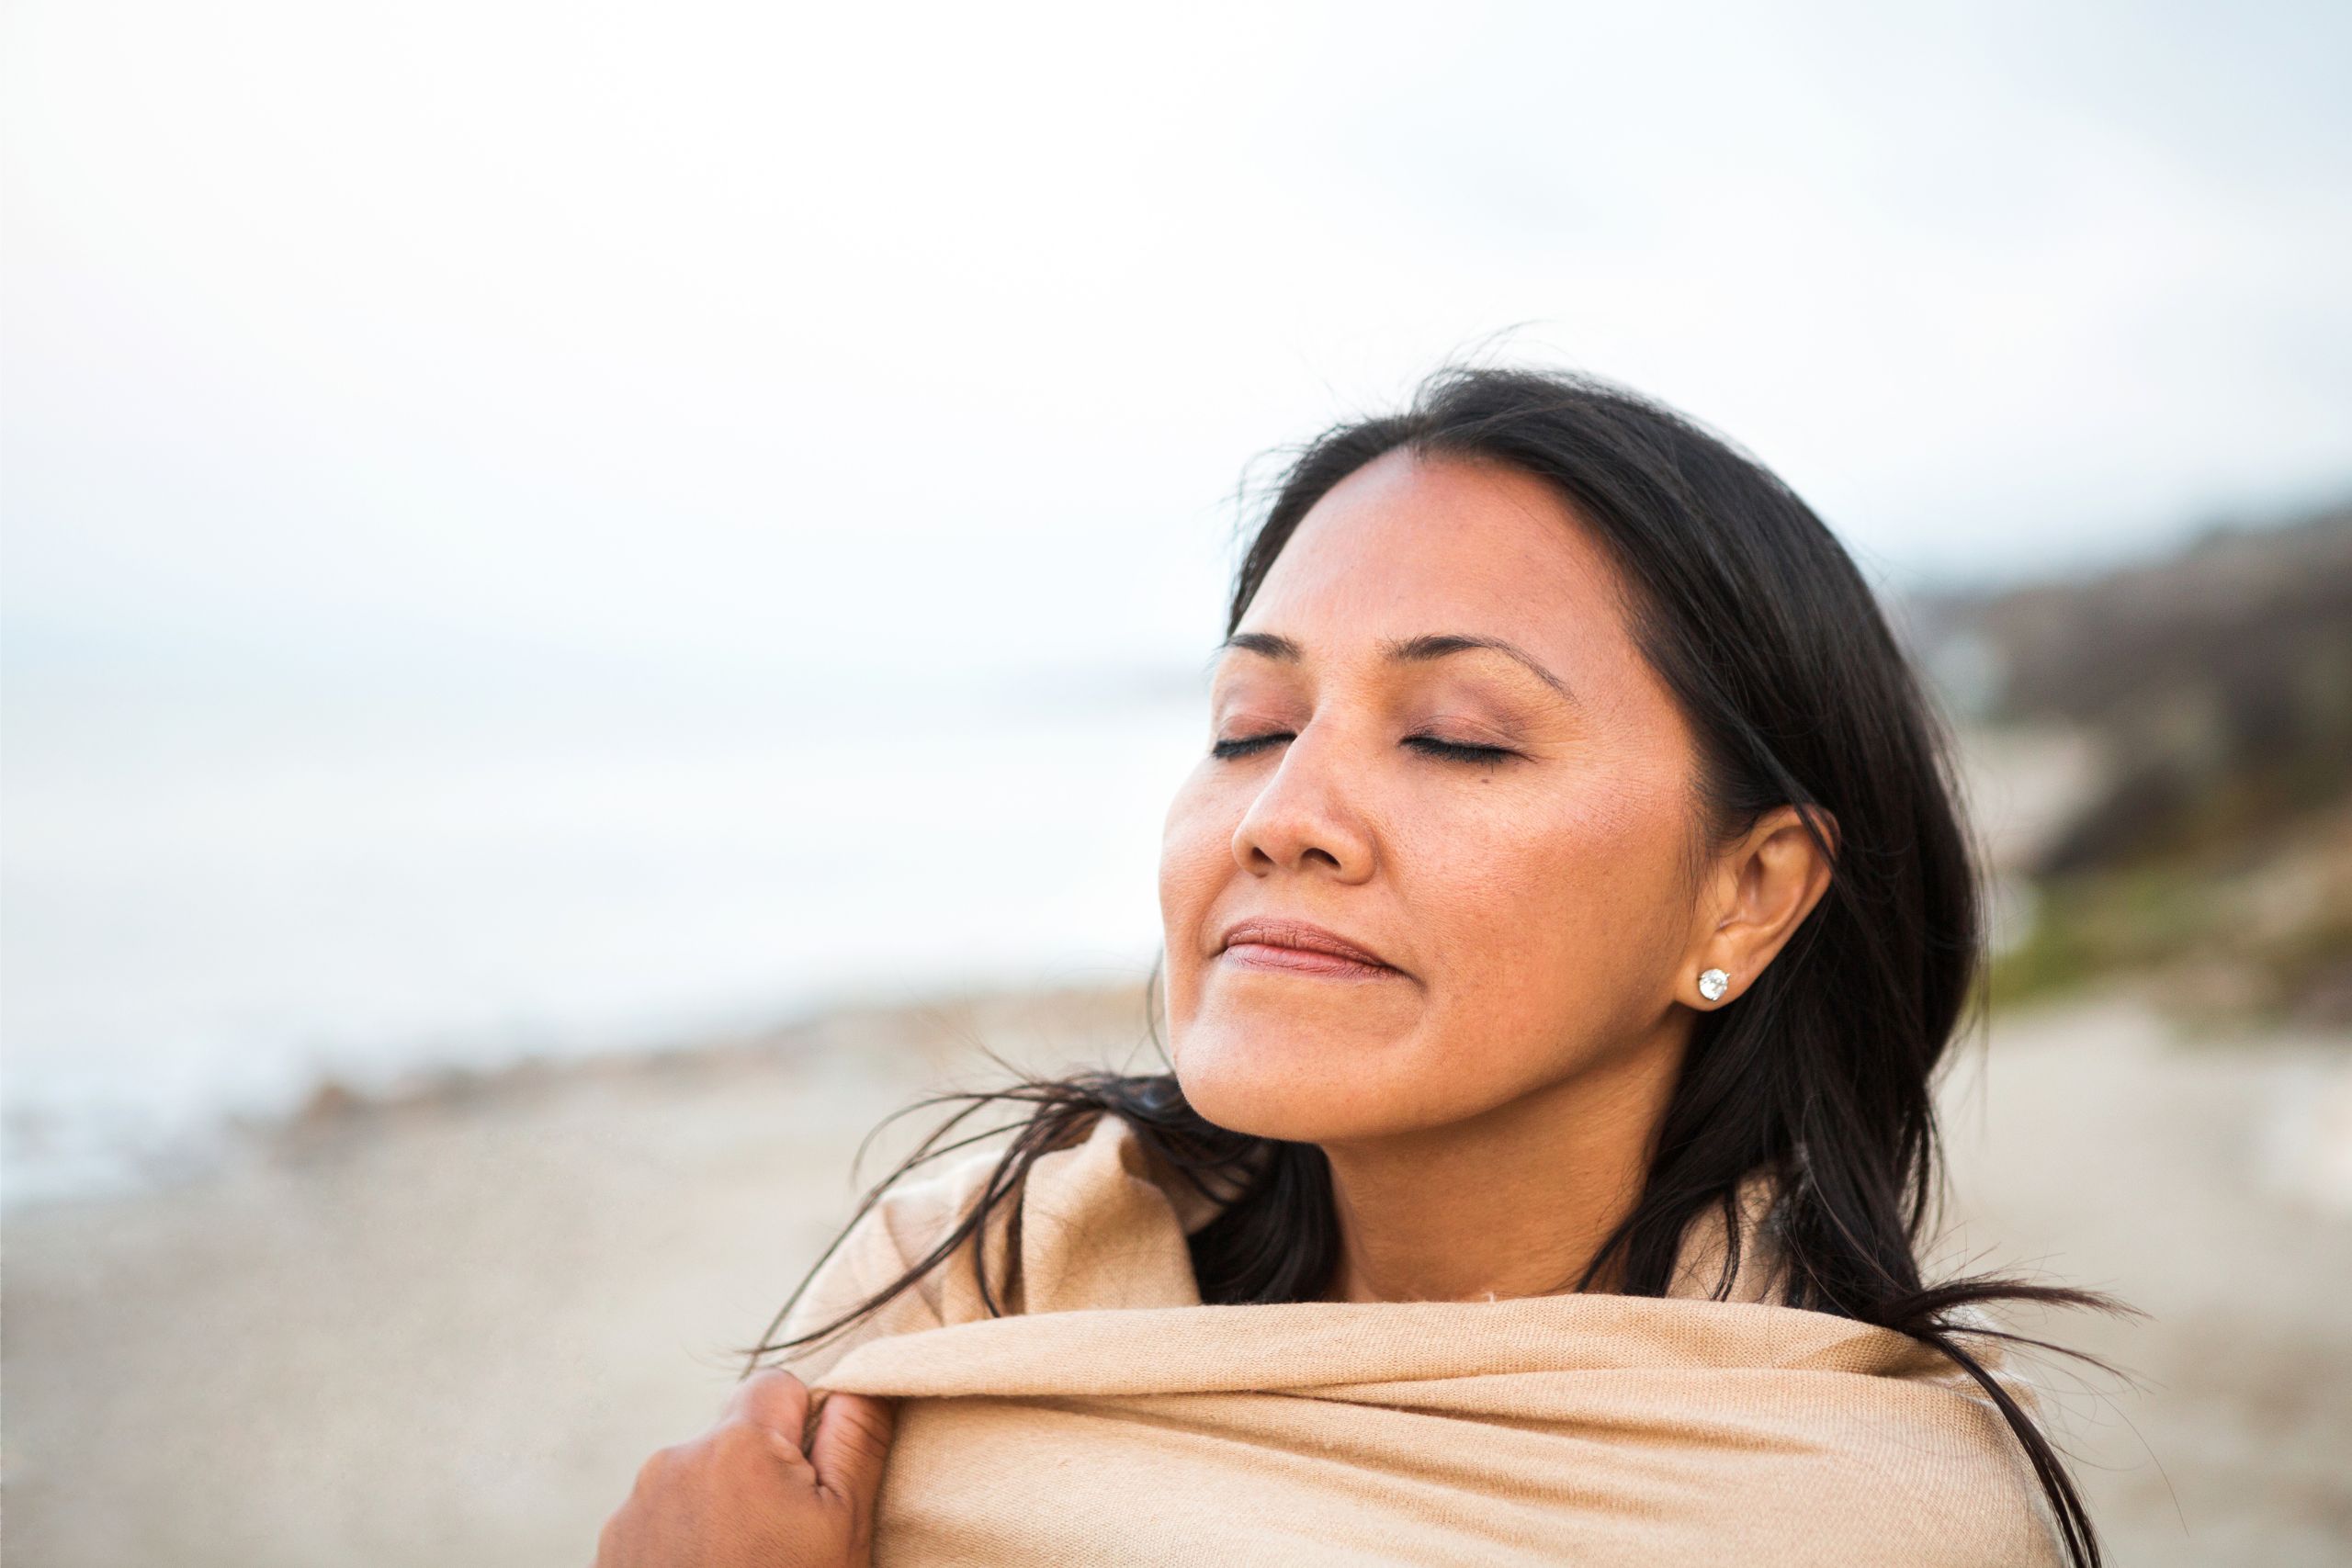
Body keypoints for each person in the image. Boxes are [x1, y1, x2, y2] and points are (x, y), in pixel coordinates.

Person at [593, 365, 2116, 1567]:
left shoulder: (1856, 1525)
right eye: (1249, 728)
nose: (1282, 815)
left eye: (1456, 735)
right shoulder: (961, 1281)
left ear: (1748, 892)